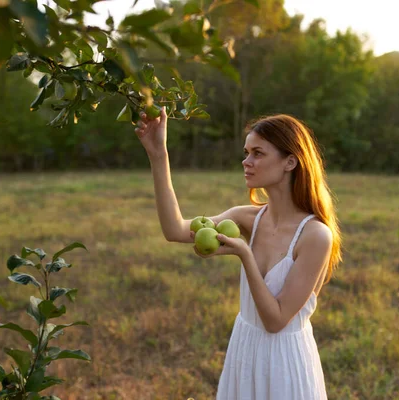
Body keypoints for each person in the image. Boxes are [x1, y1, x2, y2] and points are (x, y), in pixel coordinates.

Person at [135, 106, 342, 400]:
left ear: (290, 162)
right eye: (246, 153)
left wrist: (245, 254)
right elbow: (175, 230)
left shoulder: (315, 235)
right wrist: (158, 155)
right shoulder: (248, 218)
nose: (246, 161)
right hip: (245, 349)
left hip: (285, 362)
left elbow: (275, 320)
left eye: (258, 153)